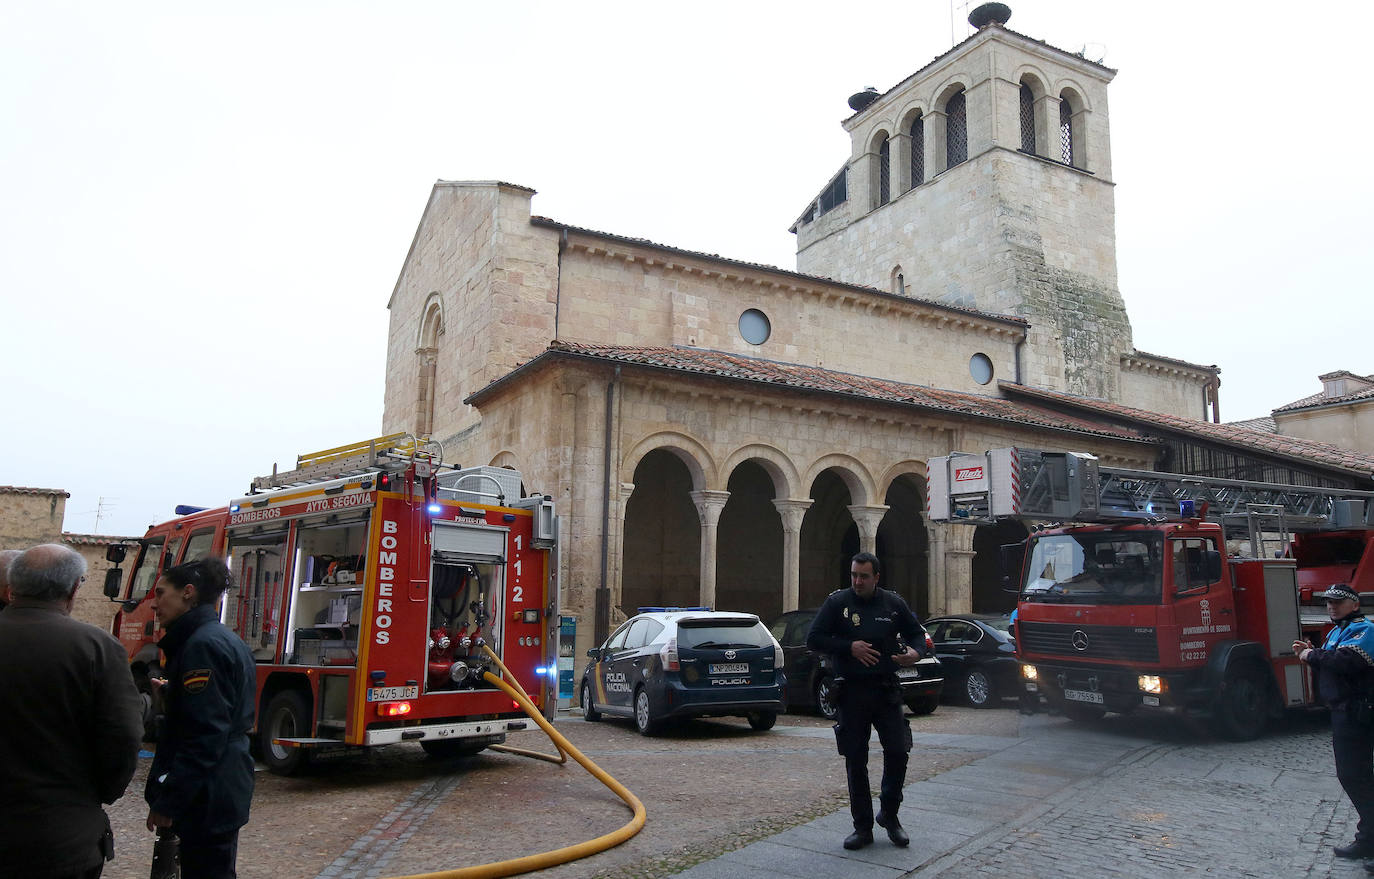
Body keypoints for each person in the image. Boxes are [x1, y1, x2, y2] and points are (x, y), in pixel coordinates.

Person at [0, 543, 144, 879]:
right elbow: (124, 736)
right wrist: (100, 792)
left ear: (13, 586)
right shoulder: (97, 648)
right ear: (74, 588)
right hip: (60, 837)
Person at [144, 557, 255, 879]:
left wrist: (170, 802)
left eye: (162, 593)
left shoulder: (201, 646)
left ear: (188, 593)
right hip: (222, 785)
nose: (154, 604)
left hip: (209, 794)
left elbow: (204, 735)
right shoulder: (219, 637)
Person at [807, 551, 925, 850]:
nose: (857, 581)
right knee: (855, 760)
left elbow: (917, 634)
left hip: (885, 690)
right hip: (852, 692)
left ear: (876, 577)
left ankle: (889, 813)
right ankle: (862, 827)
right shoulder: (837, 603)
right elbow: (814, 639)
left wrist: (915, 652)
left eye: (863, 576)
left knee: (898, 752)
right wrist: (850, 647)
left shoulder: (893, 603)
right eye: (854, 575)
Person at [1293, 583, 1374, 863]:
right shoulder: (1338, 631)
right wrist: (1313, 654)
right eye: (1328, 602)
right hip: (1343, 712)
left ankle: (1370, 840)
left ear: (1354, 605)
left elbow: (1348, 662)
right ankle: (1367, 839)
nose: (1331, 606)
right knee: (1354, 776)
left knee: (1355, 776)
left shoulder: (1365, 629)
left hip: (1357, 712)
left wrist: (1312, 655)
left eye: (1338, 602)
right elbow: (1331, 663)